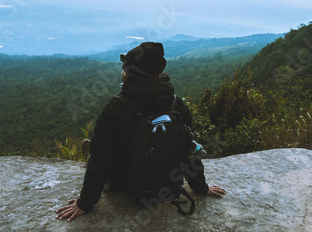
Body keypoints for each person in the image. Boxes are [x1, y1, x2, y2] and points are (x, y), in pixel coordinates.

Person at [56, 42, 226, 222]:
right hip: (167, 184)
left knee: (97, 152)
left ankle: (88, 152)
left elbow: (101, 160)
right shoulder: (176, 105)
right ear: (157, 74)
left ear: (133, 75)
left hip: (125, 185)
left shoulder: (116, 108)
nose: (122, 73)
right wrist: (201, 187)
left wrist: (85, 203)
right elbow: (190, 148)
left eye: (125, 69)